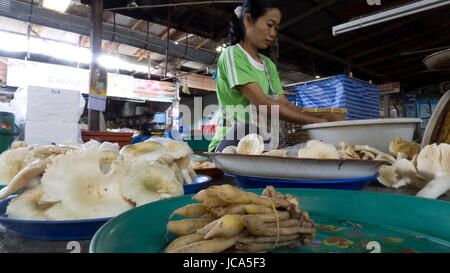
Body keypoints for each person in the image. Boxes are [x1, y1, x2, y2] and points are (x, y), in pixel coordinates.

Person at [208, 0, 340, 152]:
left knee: (303, 149)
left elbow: (285, 104)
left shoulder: (268, 65)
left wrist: (325, 117)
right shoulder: (232, 54)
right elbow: (262, 103)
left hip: (262, 144)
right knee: (248, 129)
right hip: (231, 146)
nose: (272, 33)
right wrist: (315, 121)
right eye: (269, 25)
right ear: (248, 21)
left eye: (276, 28)